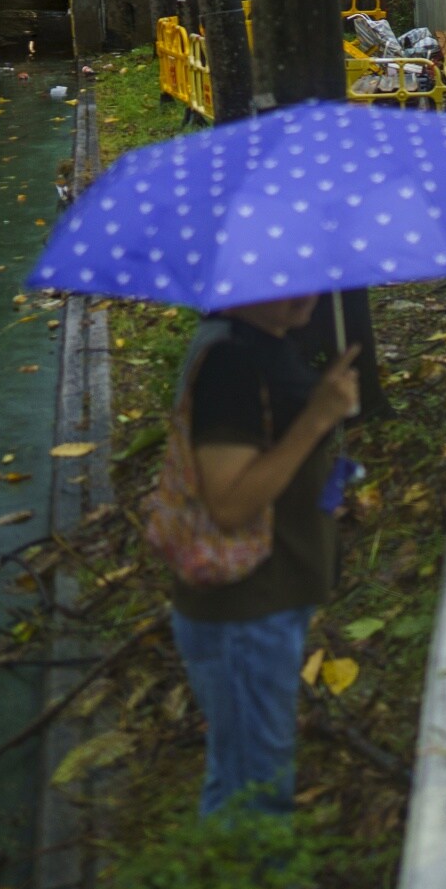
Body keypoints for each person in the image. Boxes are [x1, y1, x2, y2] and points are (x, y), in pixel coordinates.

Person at [168, 295, 361, 815]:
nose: (307, 291)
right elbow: (229, 503)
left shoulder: (264, 343)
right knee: (254, 792)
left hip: (266, 605)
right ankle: (252, 885)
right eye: (287, 277)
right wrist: (317, 419)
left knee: (241, 772)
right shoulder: (231, 366)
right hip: (244, 614)